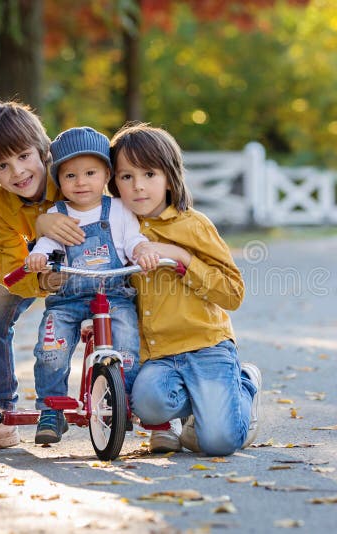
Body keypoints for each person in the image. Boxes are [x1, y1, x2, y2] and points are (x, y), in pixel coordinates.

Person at [111, 123, 262, 456]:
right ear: (114, 181)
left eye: (149, 174)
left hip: (205, 345)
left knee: (218, 444)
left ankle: (245, 385)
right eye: (126, 177)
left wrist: (182, 257)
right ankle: (207, 406)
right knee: (146, 407)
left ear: (169, 177)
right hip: (159, 355)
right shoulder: (116, 229)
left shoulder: (193, 225)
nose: (138, 187)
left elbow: (233, 293)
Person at [0, 101, 85, 452]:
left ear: (43, 150)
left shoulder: (69, 175)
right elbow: (10, 265)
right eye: (2, 166)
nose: (18, 172)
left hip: (89, 258)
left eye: (24, 156)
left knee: (133, 301)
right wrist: (41, 282)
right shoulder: (1, 206)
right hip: (33, 268)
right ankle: (2, 414)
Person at [23, 126, 149, 444]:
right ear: (59, 180)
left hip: (113, 293)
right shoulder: (57, 213)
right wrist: (39, 257)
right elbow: (47, 245)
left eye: (90, 172)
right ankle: (52, 408)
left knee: (127, 345)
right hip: (68, 297)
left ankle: (123, 400)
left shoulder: (119, 210)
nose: (81, 183)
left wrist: (142, 250)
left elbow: (133, 239)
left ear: (106, 173)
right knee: (52, 347)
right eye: (70, 176)